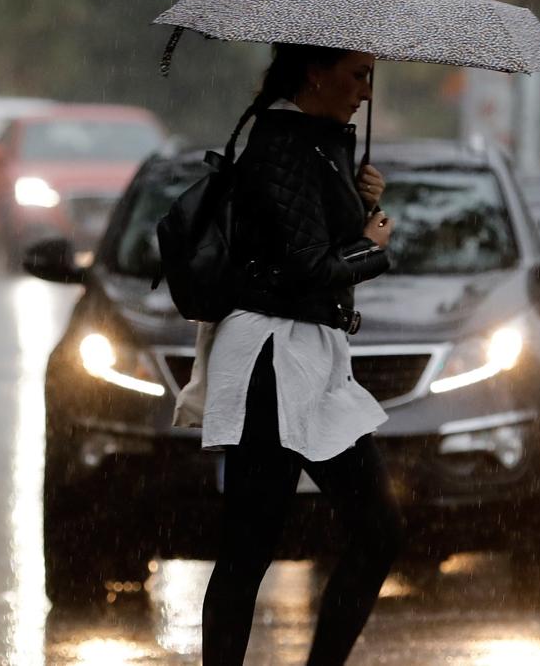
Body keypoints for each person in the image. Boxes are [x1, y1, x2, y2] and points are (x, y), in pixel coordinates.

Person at [196, 43, 402, 666]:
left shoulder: (318, 141)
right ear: (316, 73)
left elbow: (312, 240)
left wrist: (363, 199)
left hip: (310, 359)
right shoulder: (282, 141)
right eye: (356, 76)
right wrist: (373, 244)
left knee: (377, 530)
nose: (366, 92)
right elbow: (308, 267)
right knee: (249, 546)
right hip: (271, 361)